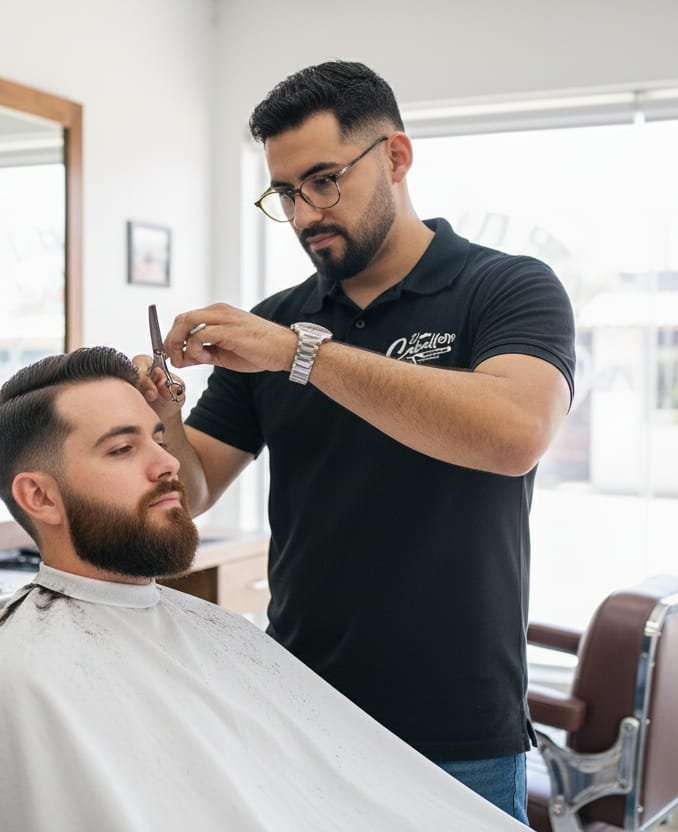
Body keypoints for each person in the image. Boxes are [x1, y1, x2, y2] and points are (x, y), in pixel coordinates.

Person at [0, 347, 529, 831]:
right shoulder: (19, 686)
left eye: (158, 437)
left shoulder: (205, 630)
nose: (168, 464)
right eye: (123, 448)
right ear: (38, 496)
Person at [140, 61, 576, 821]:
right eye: (284, 193)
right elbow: (198, 485)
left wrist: (297, 354)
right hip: (300, 708)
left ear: (396, 158)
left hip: (457, 726)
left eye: (324, 180)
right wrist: (163, 419)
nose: (306, 212)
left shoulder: (506, 289)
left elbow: (514, 434)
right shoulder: (274, 320)